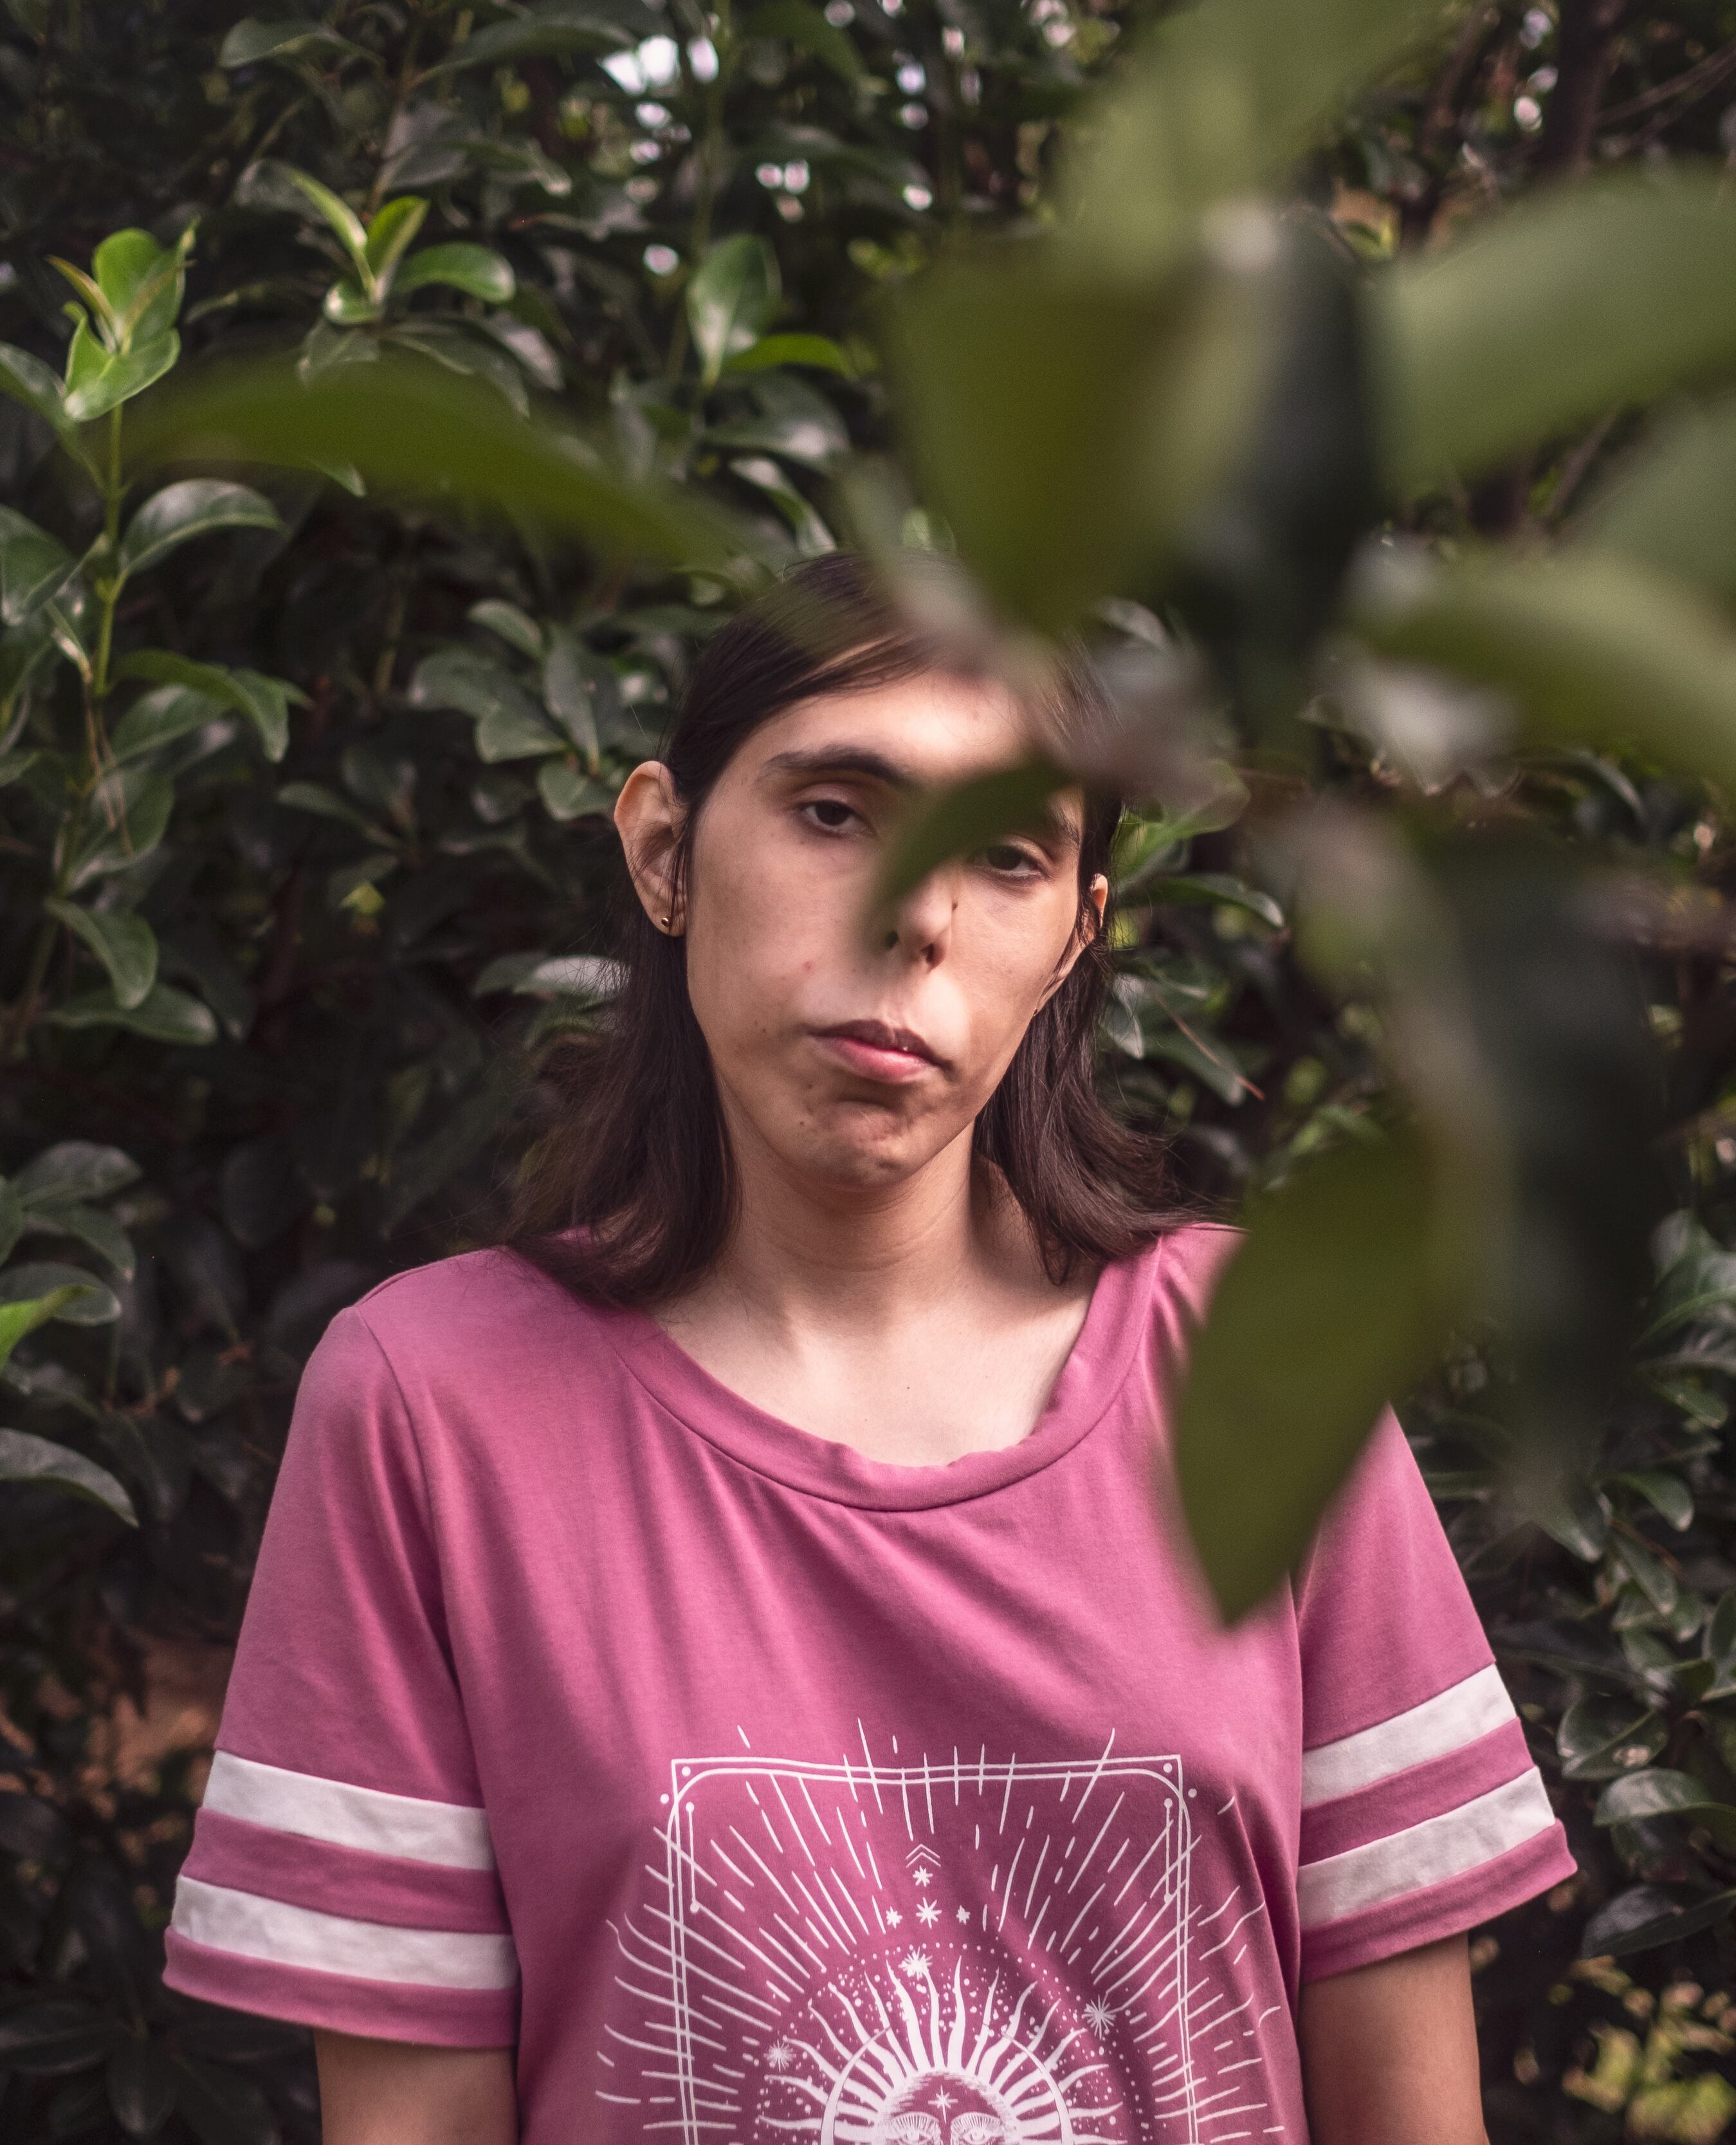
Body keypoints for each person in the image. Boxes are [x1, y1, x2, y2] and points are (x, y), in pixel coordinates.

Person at [161, 553, 1572, 2144]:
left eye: (1012, 858)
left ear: (1072, 943)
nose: (914, 917)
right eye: (834, 813)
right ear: (665, 851)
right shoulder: (432, 1406)